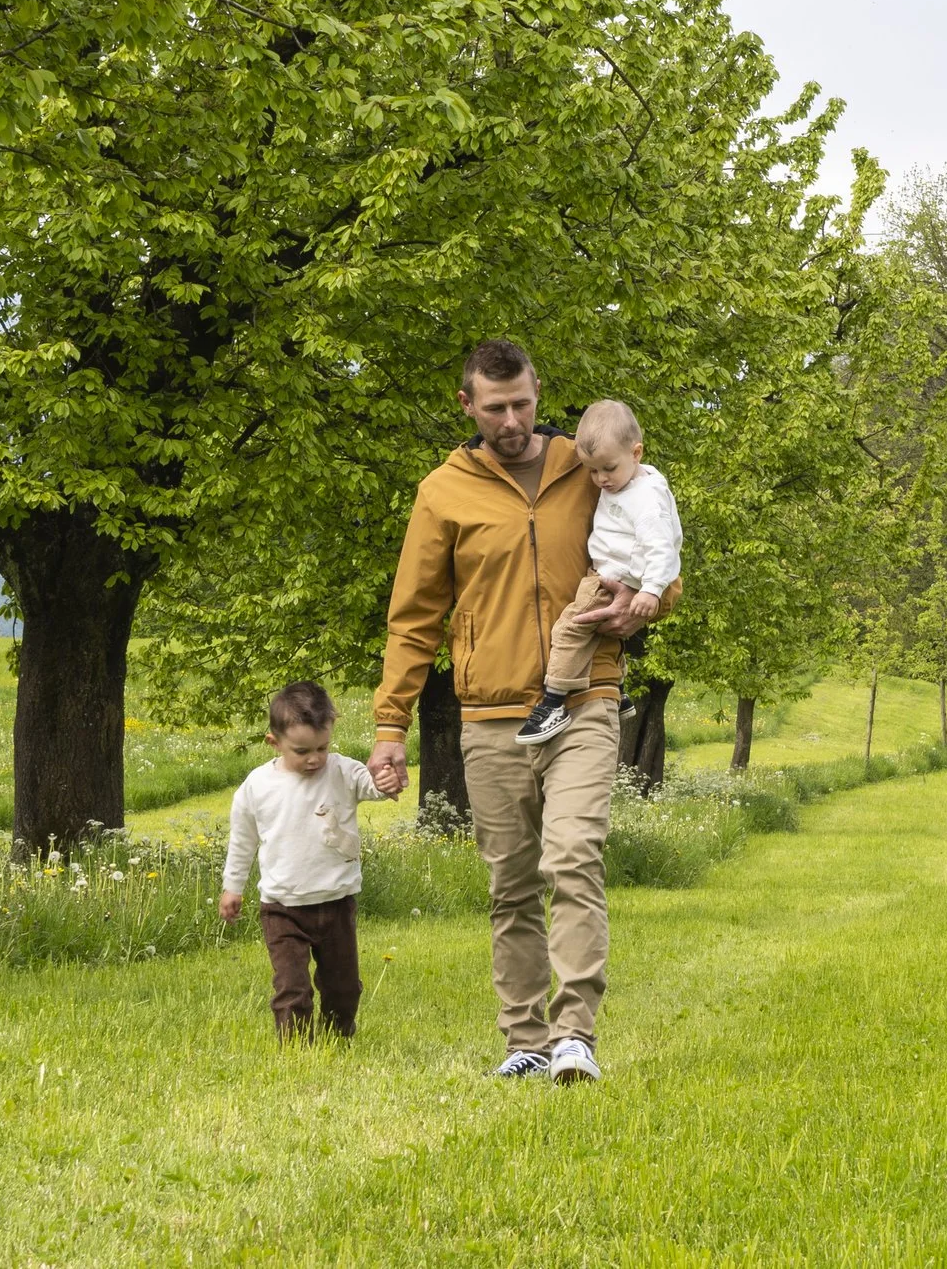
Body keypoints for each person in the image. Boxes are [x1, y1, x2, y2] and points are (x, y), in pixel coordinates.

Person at [366, 339, 674, 1085]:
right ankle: (525, 1039)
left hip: (586, 696)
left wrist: (651, 606)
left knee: (573, 856)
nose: (511, 419)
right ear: (468, 405)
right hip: (489, 711)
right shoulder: (443, 491)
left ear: (540, 395)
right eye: (495, 406)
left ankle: (575, 1036)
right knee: (511, 884)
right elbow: (414, 619)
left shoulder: (589, 467)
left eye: (523, 404)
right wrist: (389, 727)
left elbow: (654, 550)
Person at [220, 680, 404, 1041]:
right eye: (302, 750)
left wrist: (385, 780)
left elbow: (373, 787)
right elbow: (243, 840)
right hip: (282, 906)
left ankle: (338, 1038)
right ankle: (297, 1049)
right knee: (292, 987)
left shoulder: (341, 771)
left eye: (323, 747)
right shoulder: (257, 786)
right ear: (274, 742)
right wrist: (233, 887)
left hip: (336, 902)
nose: (314, 758)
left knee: (343, 986)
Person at [515, 399, 682, 746]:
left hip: (611, 578)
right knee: (601, 637)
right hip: (616, 573)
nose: (601, 479)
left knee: (569, 629)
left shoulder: (645, 500)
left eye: (608, 468)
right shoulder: (636, 481)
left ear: (636, 452)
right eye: (592, 471)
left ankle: (553, 702)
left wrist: (651, 589)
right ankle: (619, 692)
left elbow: (662, 546)